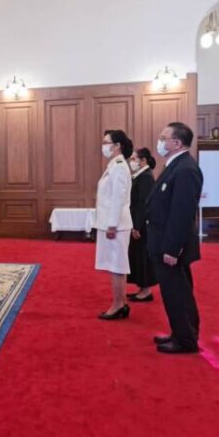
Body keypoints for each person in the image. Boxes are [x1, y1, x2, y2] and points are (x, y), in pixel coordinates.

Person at [146, 122, 203, 353]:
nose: (160, 141)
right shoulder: (175, 165)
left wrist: (171, 248)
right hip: (163, 241)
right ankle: (180, 332)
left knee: (177, 292)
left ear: (177, 143)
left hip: (170, 246)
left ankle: (185, 340)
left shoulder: (185, 169)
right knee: (174, 291)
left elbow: (181, 213)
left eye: (164, 137)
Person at [94, 129, 134, 320]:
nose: (103, 146)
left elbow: (118, 198)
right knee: (116, 264)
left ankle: (117, 305)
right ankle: (122, 302)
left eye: (106, 142)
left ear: (117, 146)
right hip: (114, 222)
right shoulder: (114, 165)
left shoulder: (118, 166)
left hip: (116, 224)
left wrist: (112, 225)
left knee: (117, 265)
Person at [127, 148, 158, 301]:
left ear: (143, 160)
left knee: (143, 256)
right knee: (137, 255)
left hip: (142, 225)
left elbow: (143, 204)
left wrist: (137, 226)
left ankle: (146, 290)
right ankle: (142, 287)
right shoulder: (140, 175)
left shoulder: (145, 177)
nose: (131, 162)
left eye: (134, 159)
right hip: (137, 222)